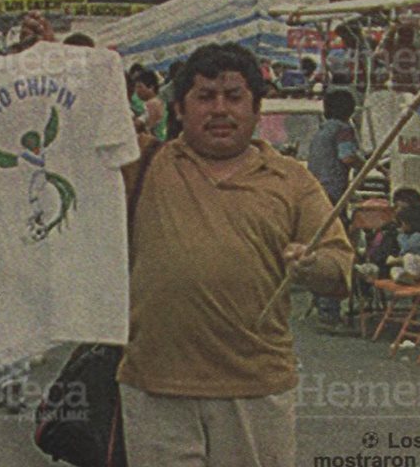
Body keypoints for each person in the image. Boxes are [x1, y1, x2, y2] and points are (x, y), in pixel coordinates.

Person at [118, 43, 353, 467]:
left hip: (255, 389)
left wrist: (310, 264)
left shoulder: (293, 181)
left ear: (257, 109)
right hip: (155, 385)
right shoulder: (144, 163)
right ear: (180, 109)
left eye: (234, 96)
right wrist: (39, 53)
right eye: (205, 97)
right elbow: (68, 130)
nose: (220, 109)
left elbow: (339, 270)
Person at [305, 88, 364, 326]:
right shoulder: (343, 130)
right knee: (336, 249)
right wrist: (369, 166)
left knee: (319, 248)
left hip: (316, 194)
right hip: (333, 195)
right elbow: (347, 157)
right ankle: (330, 309)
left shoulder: (321, 131)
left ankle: (321, 304)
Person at [132, 69, 166, 141]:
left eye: (140, 87)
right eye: (136, 87)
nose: (137, 91)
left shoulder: (152, 103)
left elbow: (143, 125)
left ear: (151, 87)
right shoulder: (159, 100)